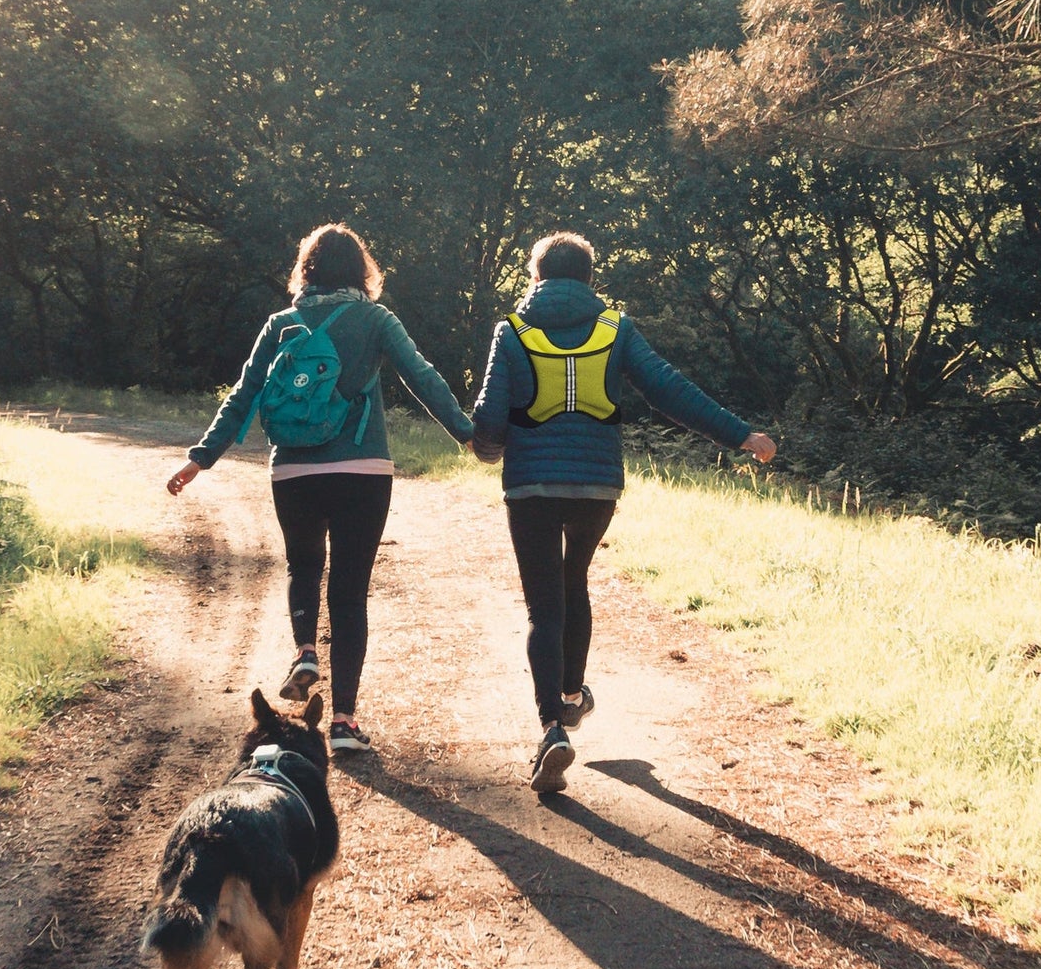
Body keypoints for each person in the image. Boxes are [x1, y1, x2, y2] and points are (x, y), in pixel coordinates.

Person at [469, 230, 776, 795]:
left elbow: (489, 417)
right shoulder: (616, 328)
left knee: (543, 607)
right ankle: (571, 697)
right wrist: (741, 435)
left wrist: (487, 447)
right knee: (575, 583)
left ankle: (551, 729)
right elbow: (670, 390)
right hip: (596, 485)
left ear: (536, 277)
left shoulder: (510, 332)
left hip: (531, 486)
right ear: (589, 278)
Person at [170, 223, 476, 757]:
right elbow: (421, 375)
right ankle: (343, 722)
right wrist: (468, 433)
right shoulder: (376, 319)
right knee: (350, 591)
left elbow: (243, 395)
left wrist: (201, 458)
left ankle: (305, 652)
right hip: (363, 469)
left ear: (306, 270)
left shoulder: (280, 325)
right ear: (362, 270)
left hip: (294, 471)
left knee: (303, 565)